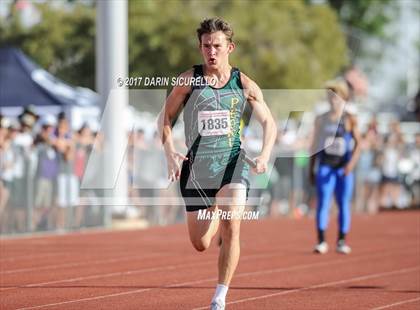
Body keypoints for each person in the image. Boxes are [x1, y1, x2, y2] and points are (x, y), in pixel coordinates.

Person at [157, 18, 276, 310]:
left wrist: (264, 154)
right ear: (200, 47)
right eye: (206, 46)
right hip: (197, 168)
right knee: (200, 244)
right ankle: (210, 207)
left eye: (217, 46)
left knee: (232, 225)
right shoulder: (188, 80)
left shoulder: (243, 83)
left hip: (232, 163)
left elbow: (269, 122)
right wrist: (169, 150)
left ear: (230, 47)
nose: (211, 52)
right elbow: (166, 118)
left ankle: (220, 296)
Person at [309, 79, 361, 255]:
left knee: (343, 203)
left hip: (343, 168)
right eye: (330, 96)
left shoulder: (349, 119)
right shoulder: (321, 119)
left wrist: (350, 165)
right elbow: (315, 144)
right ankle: (321, 241)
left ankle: (341, 240)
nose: (333, 100)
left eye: (336, 96)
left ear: (343, 98)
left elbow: (359, 144)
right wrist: (311, 168)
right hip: (325, 166)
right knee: (323, 203)